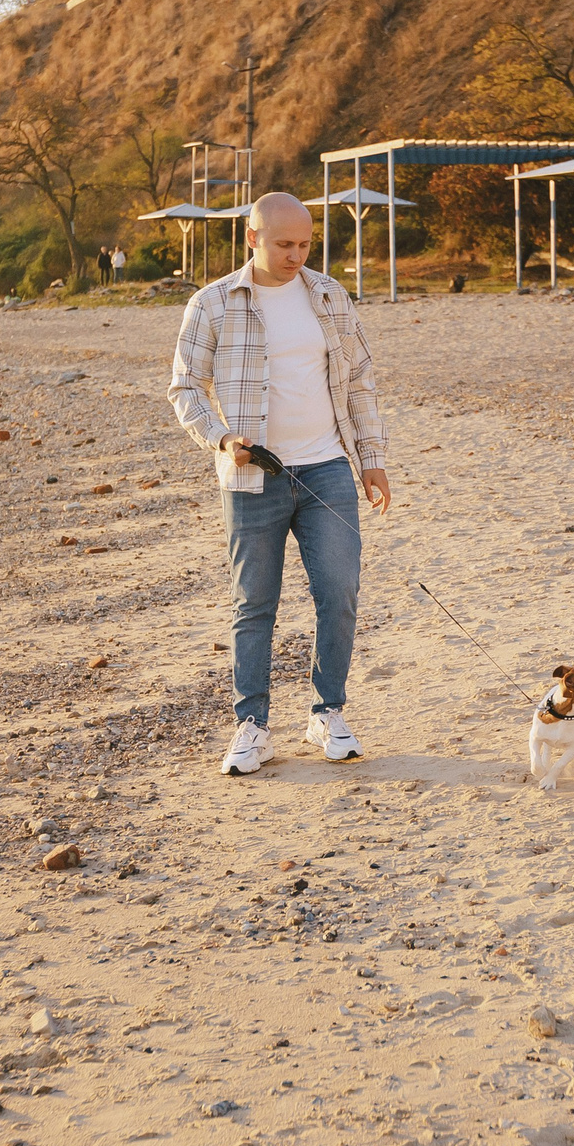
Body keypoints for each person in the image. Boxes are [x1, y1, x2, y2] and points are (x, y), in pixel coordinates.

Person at [168, 193, 391, 776]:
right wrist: (221, 440)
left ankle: (328, 712)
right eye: (284, 244)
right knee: (254, 603)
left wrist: (371, 458)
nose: (296, 256)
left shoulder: (329, 296)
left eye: (305, 244)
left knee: (338, 592)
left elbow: (361, 378)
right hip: (251, 477)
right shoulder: (212, 303)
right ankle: (252, 724)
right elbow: (184, 388)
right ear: (252, 238)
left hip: (327, 468)